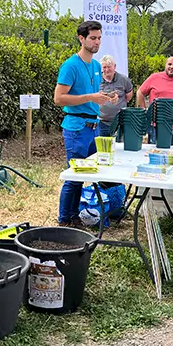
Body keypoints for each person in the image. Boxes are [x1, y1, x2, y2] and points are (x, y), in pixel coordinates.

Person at [53, 20, 117, 227]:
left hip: (94, 126)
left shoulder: (97, 66)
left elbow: (92, 94)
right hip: (77, 127)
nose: (97, 42)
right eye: (93, 38)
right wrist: (90, 97)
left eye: (99, 38)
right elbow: (59, 98)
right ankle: (64, 220)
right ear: (81, 39)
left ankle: (73, 216)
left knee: (85, 174)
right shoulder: (70, 65)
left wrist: (109, 97)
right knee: (74, 176)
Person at [136, 56, 173, 146]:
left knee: (168, 153)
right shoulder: (154, 77)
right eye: (169, 64)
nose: (171, 67)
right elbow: (140, 92)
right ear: (165, 65)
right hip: (155, 125)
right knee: (154, 152)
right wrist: (144, 112)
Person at [98, 54, 133, 137]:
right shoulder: (97, 80)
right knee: (103, 148)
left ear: (114, 66)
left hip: (120, 122)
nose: (107, 70)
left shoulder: (124, 79)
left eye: (109, 67)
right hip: (102, 123)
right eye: (104, 67)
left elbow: (129, 96)